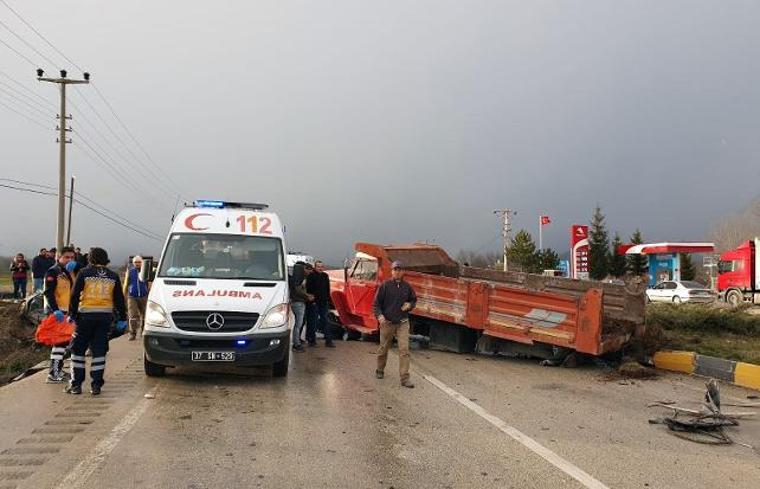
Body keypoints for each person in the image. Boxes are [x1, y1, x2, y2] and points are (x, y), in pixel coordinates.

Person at [66, 247, 127, 395]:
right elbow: (119, 298)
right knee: (99, 351)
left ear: (90, 259)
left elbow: (74, 295)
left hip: (85, 317)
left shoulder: (84, 273)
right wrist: (123, 318)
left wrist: (72, 314)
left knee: (77, 350)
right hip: (105, 319)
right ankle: (96, 386)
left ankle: (76, 385)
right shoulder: (113, 276)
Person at [373, 261, 417, 388]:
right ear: (391, 271)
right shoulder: (385, 286)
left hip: (403, 322)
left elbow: (413, 300)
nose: (397, 272)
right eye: (395, 269)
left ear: (403, 272)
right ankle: (380, 370)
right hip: (387, 322)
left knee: (404, 350)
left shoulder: (407, 287)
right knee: (383, 349)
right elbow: (376, 304)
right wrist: (379, 316)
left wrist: (410, 305)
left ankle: (404, 379)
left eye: (400, 269)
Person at [43, 246, 79, 383]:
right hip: (58, 311)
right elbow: (48, 292)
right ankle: (54, 373)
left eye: (72, 257)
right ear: (59, 257)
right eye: (67, 257)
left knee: (63, 343)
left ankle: (57, 370)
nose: (69, 260)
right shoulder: (53, 272)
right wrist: (55, 309)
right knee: (59, 343)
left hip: (69, 312)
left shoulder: (72, 272)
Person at [305, 260, 335, 347]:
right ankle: (311, 340)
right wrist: (312, 301)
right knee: (312, 321)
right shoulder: (310, 276)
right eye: (318, 266)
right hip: (314, 303)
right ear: (315, 267)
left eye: (321, 267)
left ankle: (328, 341)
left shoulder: (325, 276)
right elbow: (308, 289)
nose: (320, 268)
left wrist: (328, 300)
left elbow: (327, 289)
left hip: (323, 302)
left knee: (325, 321)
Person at [123, 255, 149, 341]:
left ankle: (143, 332)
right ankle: (132, 333)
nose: (137, 264)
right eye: (136, 262)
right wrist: (124, 295)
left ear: (142, 263)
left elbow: (149, 283)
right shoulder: (130, 272)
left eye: (139, 262)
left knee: (145, 315)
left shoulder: (146, 272)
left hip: (144, 296)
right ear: (133, 263)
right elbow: (126, 284)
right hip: (132, 296)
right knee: (133, 315)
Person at [289, 261, 314, 352]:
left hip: (294, 302)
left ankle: (297, 341)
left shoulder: (294, 277)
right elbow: (299, 290)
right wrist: (307, 296)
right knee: (298, 325)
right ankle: (296, 344)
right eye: (309, 270)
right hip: (299, 303)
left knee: (298, 324)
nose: (309, 273)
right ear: (304, 268)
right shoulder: (299, 278)